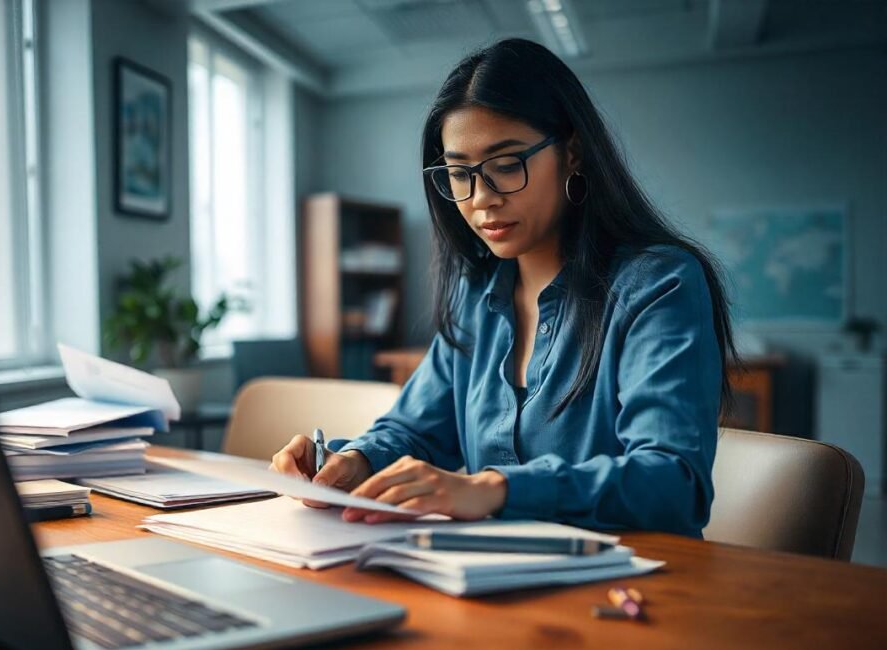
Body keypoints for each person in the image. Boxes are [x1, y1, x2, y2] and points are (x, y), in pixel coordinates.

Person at [271, 38, 737, 537]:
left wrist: (494, 489)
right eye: (458, 174)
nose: (481, 200)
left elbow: (673, 483)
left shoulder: (659, 285)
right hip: (489, 583)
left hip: (634, 589)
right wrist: (355, 460)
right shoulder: (475, 296)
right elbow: (414, 430)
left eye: (507, 164)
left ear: (573, 153)